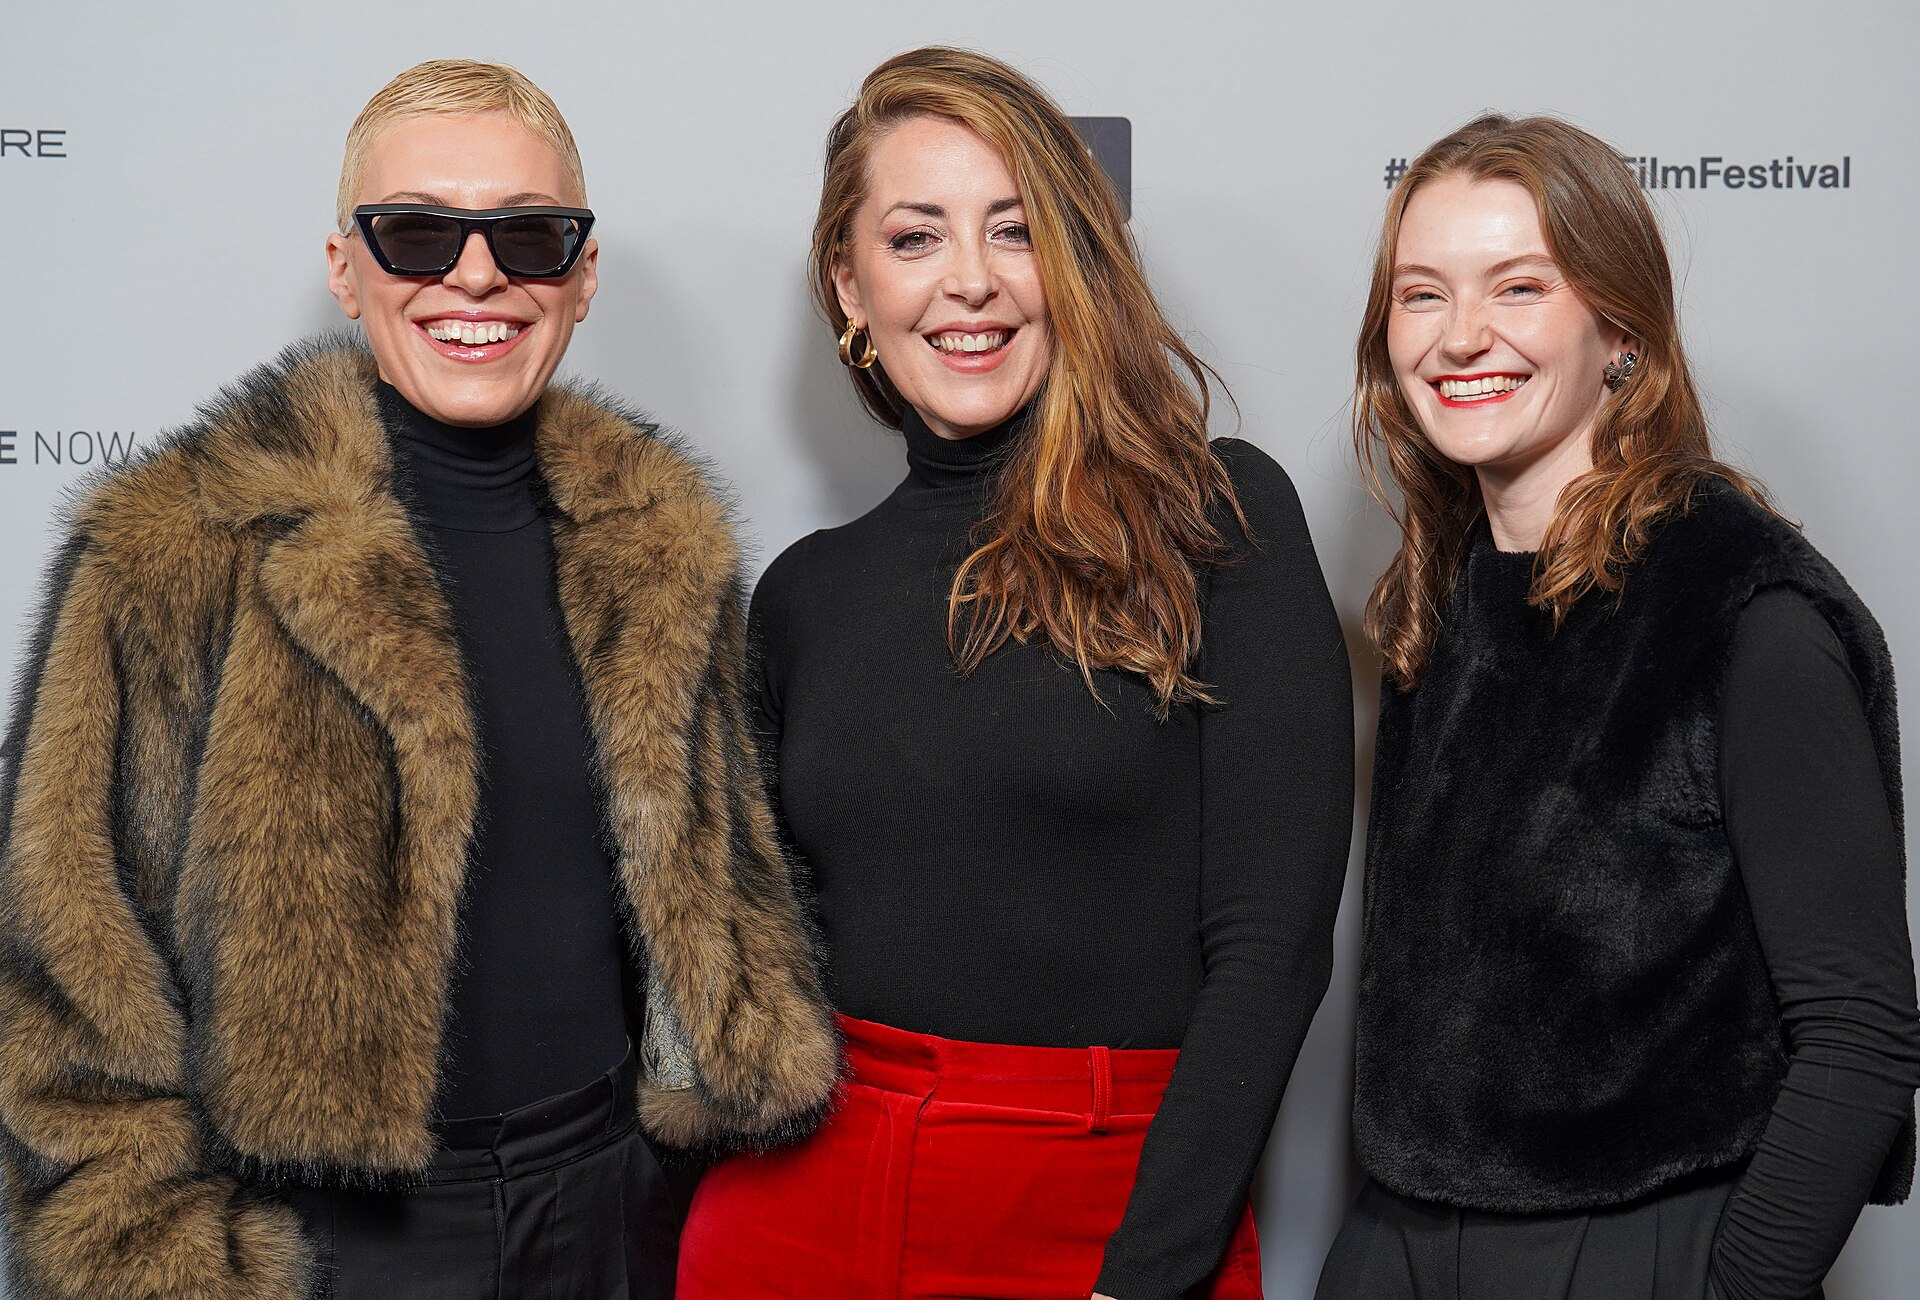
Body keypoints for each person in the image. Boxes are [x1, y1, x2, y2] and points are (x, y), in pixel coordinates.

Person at [0, 59, 835, 1300]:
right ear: (347, 268)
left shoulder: (660, 544)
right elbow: (64, 973)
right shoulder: (177, 547)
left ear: (582, 274)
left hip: (615, 1206)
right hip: (324, 1242)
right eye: (418, 233)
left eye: (530, 235)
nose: (477, 274)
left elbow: (704, 906)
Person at [676, 46, 1353, 1300]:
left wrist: (1144, 1274)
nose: (971, 281)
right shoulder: (803, 594)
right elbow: (731, 955)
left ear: (1075, 261)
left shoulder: (1215, 519)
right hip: (798, 1213)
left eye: (1014, 229)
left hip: (1106, 1205)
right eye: (915, 237)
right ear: (850, 283)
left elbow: (1273, 950)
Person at [1317, 113, 1920, 1300]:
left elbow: (1862, 1029)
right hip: (1402, 1241)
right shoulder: (1443, 599)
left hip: (1640, 1250)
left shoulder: (1743, 609)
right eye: (1423, 294)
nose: (1461, 336)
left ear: (1623, 333)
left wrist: (1732, 1285)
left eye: (1519, 286)